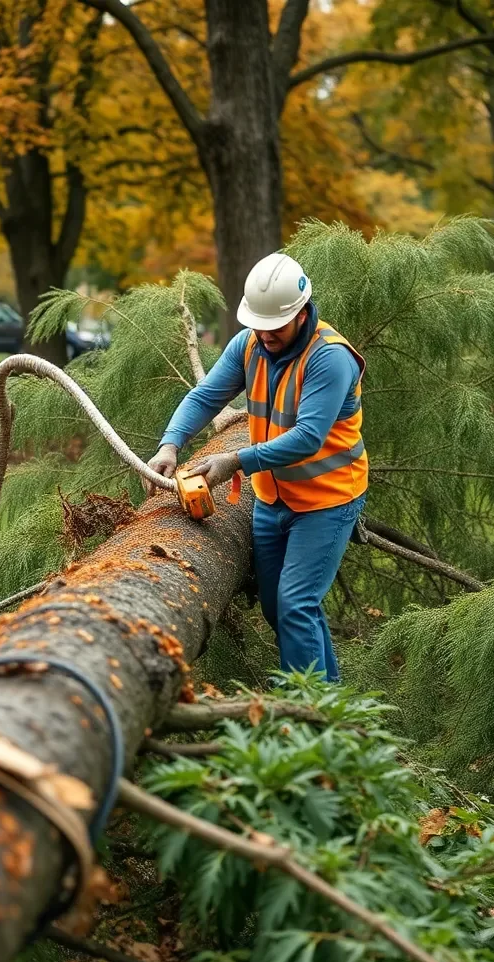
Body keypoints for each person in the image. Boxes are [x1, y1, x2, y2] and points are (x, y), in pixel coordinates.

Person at [147, 253, 367, 681]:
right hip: (272, 497)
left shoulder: (329, 358)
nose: (265, 335)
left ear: (302, 314)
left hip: (327, 499)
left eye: (275, 327)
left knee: (296, 604)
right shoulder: (248, 343)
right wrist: (170, 445)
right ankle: (332, 701)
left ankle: (309, 717)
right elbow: (205, 397)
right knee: (277, 606)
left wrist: (235, 461)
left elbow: (308, 437)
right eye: (258, 325)